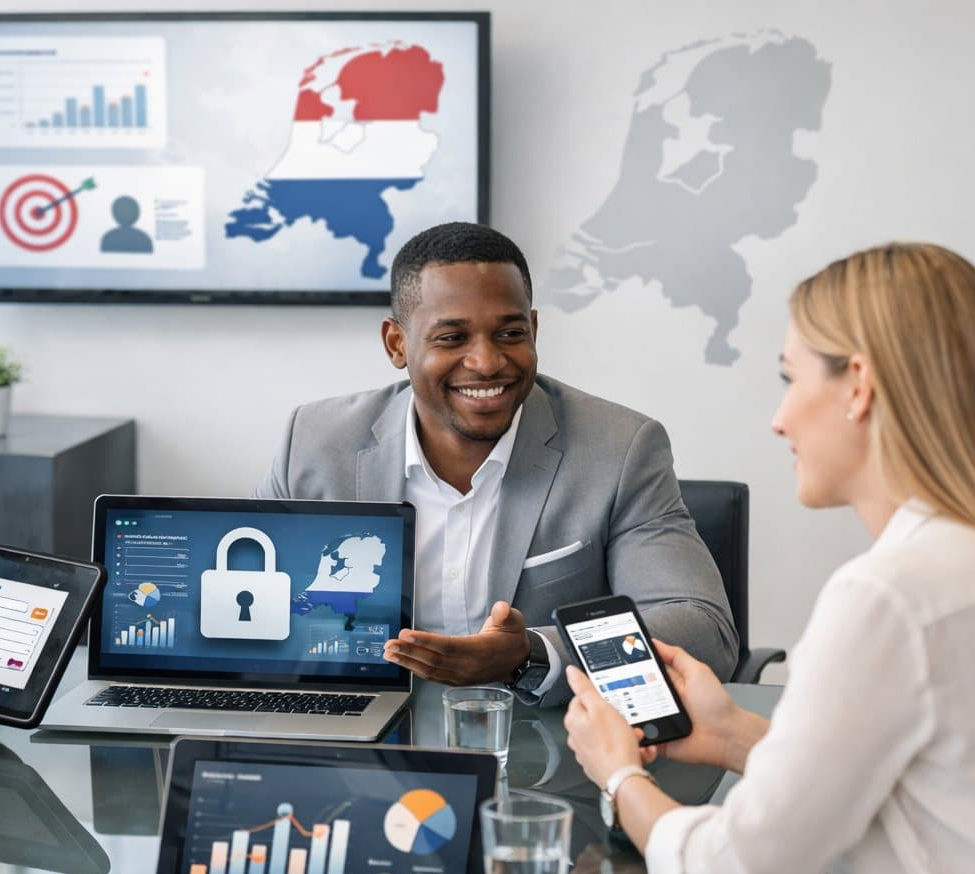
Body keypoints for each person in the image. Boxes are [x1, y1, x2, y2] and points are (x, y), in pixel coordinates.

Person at [564, 242, 975, 874]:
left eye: (789, 378)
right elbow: (925, 789)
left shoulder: (887, 598)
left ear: (860, 385)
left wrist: (618, 776)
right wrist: (736, 734)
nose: (777, 420)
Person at [255, 222, 737, 705]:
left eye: (509, 333)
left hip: (550, 753)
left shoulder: (620, 449)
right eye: (452, 337)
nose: (487, 362)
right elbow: (256, 609)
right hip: (364, 743)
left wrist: (534, 653)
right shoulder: (314, 444)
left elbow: (703, 630)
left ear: (534, 329)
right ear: (396, 344)